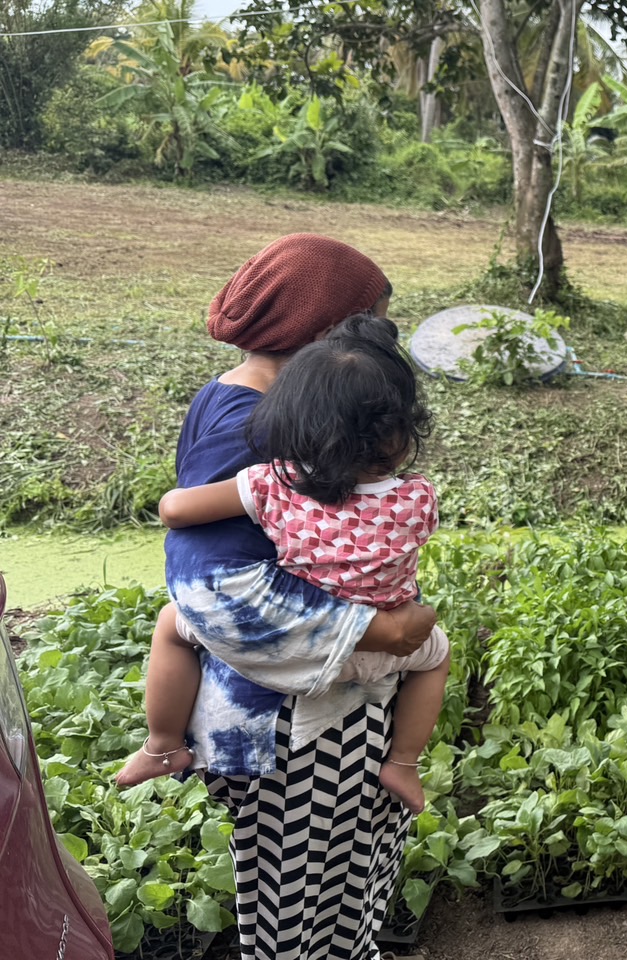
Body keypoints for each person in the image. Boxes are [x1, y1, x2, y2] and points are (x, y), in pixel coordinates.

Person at [133, 234, 437, 960]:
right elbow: (214, 594)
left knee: (338, 888)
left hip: (317, 713)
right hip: (295, 732)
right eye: (372, 331)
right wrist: (376, 631)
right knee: (303, 903)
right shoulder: (255, 431)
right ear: (324, 344)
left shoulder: (247, 399)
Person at [117, 314, 450, 814]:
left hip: (297, 650)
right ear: (401, 437)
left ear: (291, 424)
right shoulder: (418, 497)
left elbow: (175, 510)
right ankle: (403, 762)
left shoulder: (274, 483)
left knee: (170, 624)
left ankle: (163, 744)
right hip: (384, 653)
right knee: (438, 656)